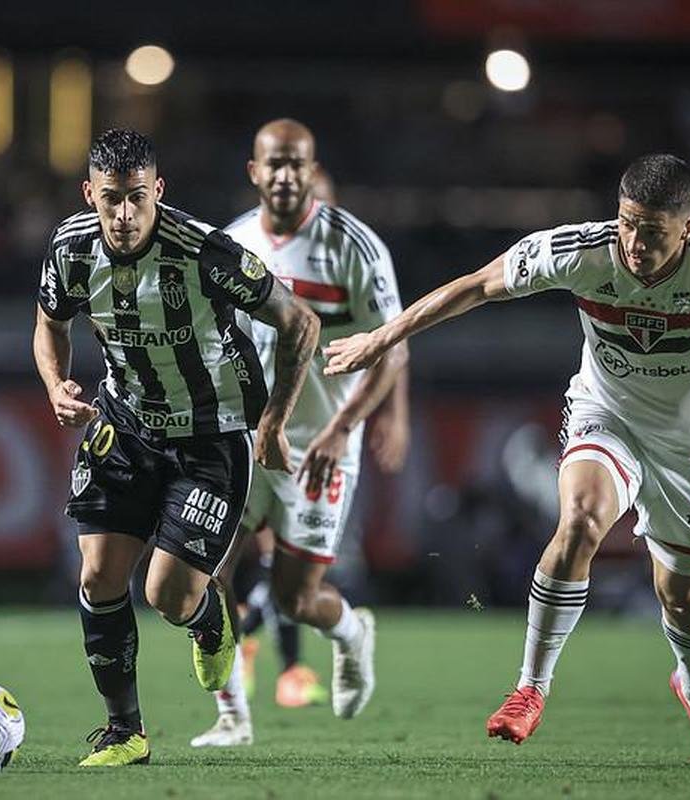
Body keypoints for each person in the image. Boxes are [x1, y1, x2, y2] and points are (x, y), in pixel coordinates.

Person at [324, 154, 690, 766]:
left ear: (689, 228)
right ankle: (530, 687)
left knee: (683, 597)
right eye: (628, 223)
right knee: (578, 519)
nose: (634, 243)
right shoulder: (582, 251)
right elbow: (476, 286)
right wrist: (381, 336)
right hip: (609, 419)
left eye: (653, 232)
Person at [33, 128, 320, 766]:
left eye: (138, 197)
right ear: (90, 194)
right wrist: (56, 384)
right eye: (112, 199)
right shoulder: (71, 251)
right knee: (100, 575)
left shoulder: (205, 253)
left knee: (167, 594)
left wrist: (273, 420)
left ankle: (209, 617)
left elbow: (301, 320)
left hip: (211, 436)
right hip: (125, 423)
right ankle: (124, 731)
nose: (126, 214)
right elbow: (49, 322)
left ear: (158, 190)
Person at [190, 119, 408, 747]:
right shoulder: (228, 246)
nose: (285, 175)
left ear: (312, 171)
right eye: (273, 164)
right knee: (209, 577)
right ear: (253, 172)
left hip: (317, 447)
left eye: (297, 164)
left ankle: (349, 633)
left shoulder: (355, 247)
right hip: (242, 441)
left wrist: (343, 430)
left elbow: (391, 351)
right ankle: (232, 717)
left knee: (293, 599)